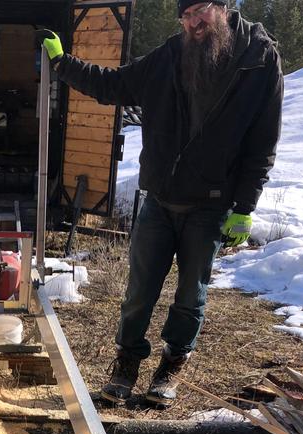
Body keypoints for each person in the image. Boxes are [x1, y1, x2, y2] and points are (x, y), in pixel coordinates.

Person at [38, 2, 283, 405]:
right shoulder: (171, 53)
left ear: (222, 7)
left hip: (211, 204)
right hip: (160, 200)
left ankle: (172, 364)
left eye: (200, 11)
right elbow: (114, 85)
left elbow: (263, 140)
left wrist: (245, 206)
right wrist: (63, 62)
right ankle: (127, 363)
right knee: (138, 292)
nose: (193, 23)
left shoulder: (258, 59)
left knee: (191, 295)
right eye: (185, 16)